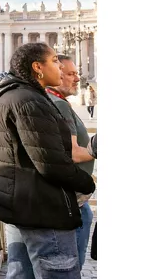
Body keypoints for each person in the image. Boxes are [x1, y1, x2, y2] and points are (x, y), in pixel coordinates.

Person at [0, 43, 96, 279]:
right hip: (44, 209)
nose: (59, 65)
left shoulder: (11, 96)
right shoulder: (30, 101)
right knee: (59, 273)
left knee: (22, 273)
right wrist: (87, 183)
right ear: (38, 67)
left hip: (21, 203)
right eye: (55, 60)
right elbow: (50, 163)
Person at [46, 55, 95, 268]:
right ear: (56, 75)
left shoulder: (45, 100)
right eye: (71, 74)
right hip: (72, 201)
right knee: (71, 266)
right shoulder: (59, 104)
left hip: (56, 199)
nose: (77, 79)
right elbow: (74, 154)